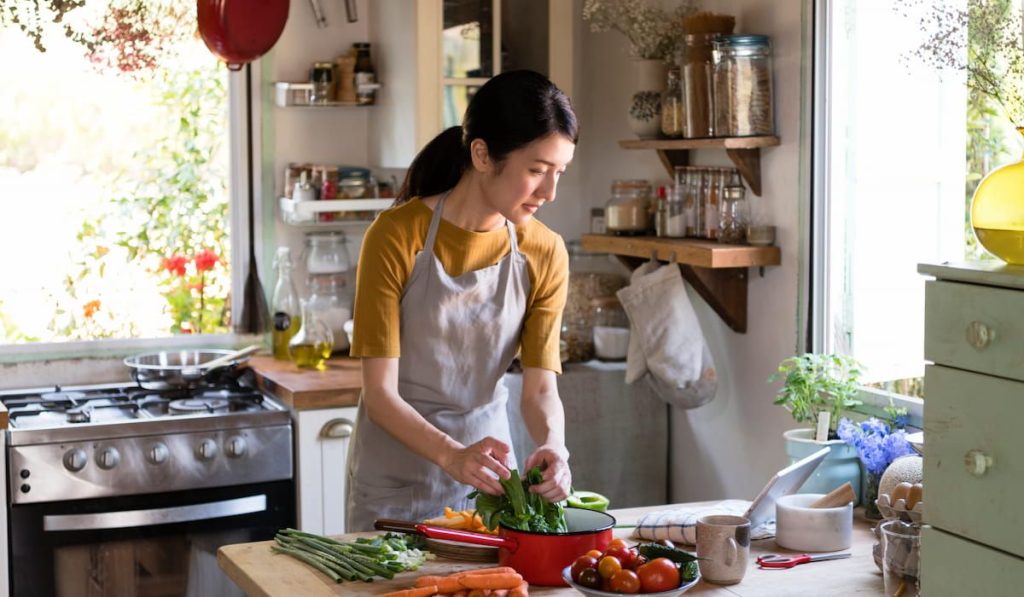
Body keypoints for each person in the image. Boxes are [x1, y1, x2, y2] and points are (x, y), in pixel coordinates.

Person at [345, 70, 578, 531]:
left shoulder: (544, 251)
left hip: (489, 483)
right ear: (482, 154)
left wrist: (555, 444)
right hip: (394, 482)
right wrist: (450, 454)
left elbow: (540, 389)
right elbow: (380, 393)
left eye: (559, 173)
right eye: (536, 171)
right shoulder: (395, 236)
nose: (549, 193)